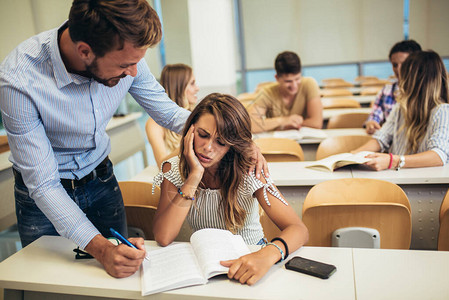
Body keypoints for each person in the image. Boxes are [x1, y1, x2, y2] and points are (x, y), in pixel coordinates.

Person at [0, 0, 268, 278]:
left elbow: (169, 113)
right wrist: (102, 249)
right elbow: (44, 185)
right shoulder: (19, 80)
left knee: (121, 276)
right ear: (85, 52)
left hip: (100, 182)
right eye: (126, 65)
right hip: (44, 197)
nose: (133, 73)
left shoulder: (127, 58)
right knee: (45, 283)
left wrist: (239, 141)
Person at [152, 93, 309, 285]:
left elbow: (298, 229)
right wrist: (194, 176)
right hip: (208, 265)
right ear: (190, 130)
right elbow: (163, 236)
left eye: (221, 142)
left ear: (233, 145)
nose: (208, 147)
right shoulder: (173, 168)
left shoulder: (249, 169)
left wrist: (267, 255)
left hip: (253, 257)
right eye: (202, 135)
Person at [353, 50, 449, 170]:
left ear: (415, 81)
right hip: (396, 176)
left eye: (405, 76)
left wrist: (393, 161)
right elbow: (381, 139)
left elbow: (438, 156)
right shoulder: (400, 108)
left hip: (418, 182)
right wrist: (352, 156)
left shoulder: (443, 111)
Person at [247, 51, 323, 133]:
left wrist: (287, 126)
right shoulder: (267, 92)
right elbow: (250, 125)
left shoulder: (309, 84)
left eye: (297, 79)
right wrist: (282, 121)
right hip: (277, 143)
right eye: (288, 81)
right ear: (277, 78)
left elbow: (316, 123)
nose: (294, 86)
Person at [146, 64, 199, 166]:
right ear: (179, 87)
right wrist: (187, 143)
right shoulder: (154, 124)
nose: (197, 88)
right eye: (192, 84)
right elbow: (161, 164)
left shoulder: (195, 114)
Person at [364, 40, 422, 134]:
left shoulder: (427, 92)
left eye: (404, 64)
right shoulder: (386, 91)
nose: (399, 69)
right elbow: (376, 112)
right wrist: (372, 122)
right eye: (395, 65)